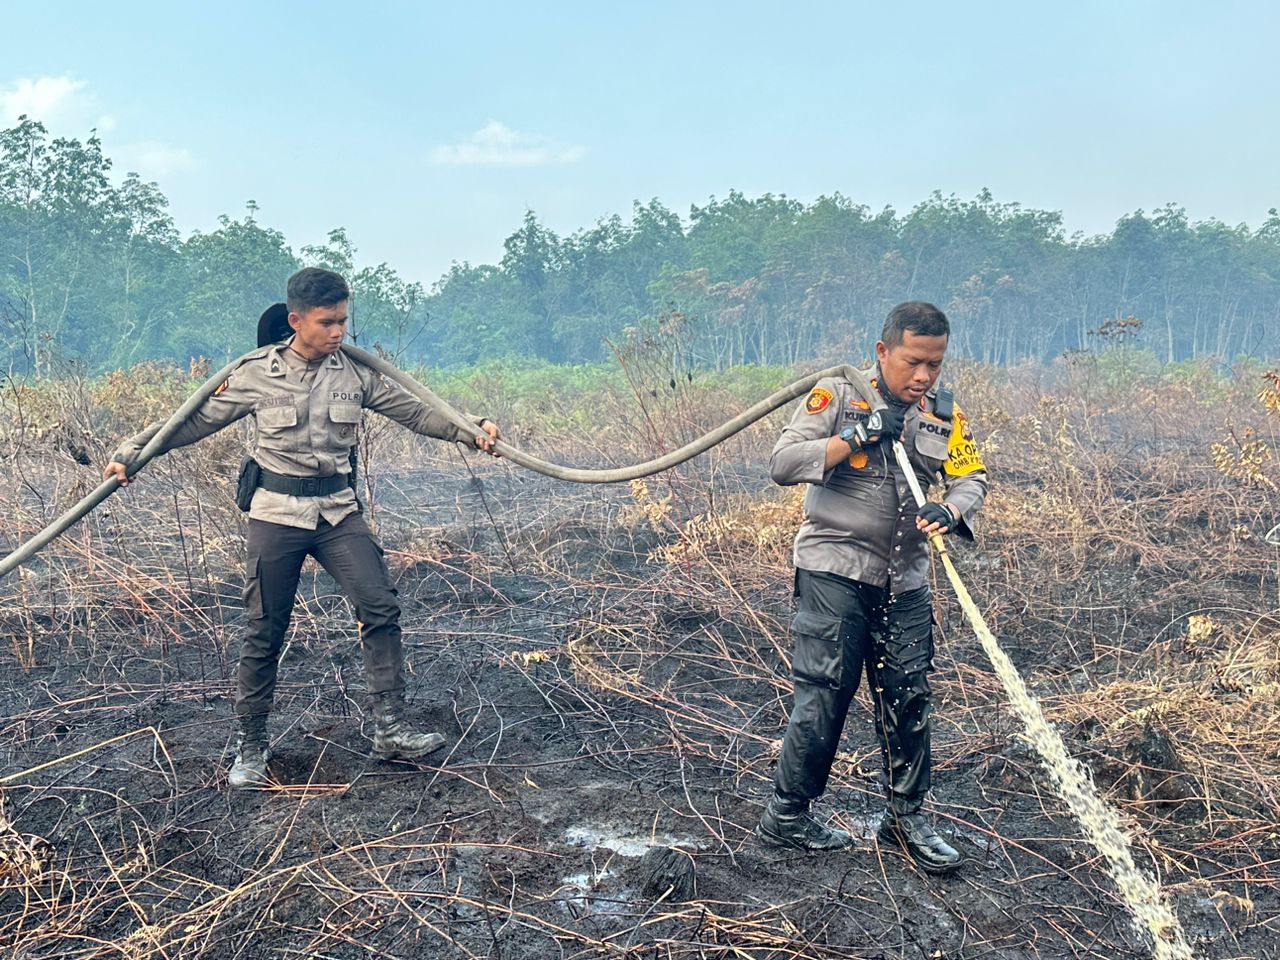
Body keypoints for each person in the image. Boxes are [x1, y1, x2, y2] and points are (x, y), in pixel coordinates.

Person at [104, 268, 501, 789]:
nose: (339, 332)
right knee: (265, 628)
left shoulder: (355, 373)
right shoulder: (254, 373)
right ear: (296, 320)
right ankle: (251, 748)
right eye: (327, 322)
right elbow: (191, 419)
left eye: (343, 321)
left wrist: (473, 430)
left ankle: (389, 729)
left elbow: (414, 410)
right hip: (275, 514)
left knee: (379, 607)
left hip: (337, 512)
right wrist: (132, 453)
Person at [756, 301, 988, 873]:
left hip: (906, 579)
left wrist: (951, 507)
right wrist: (857, 436)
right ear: (883, 352)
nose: (923, 377)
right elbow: (784, 462)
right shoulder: (836, 395)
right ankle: (787, 816)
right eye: (913, 363)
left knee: (909, 696)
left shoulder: (943, 412)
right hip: (834, 569)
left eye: (934, 365)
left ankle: (905, 820)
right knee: (826, 692)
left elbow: (971, 476)